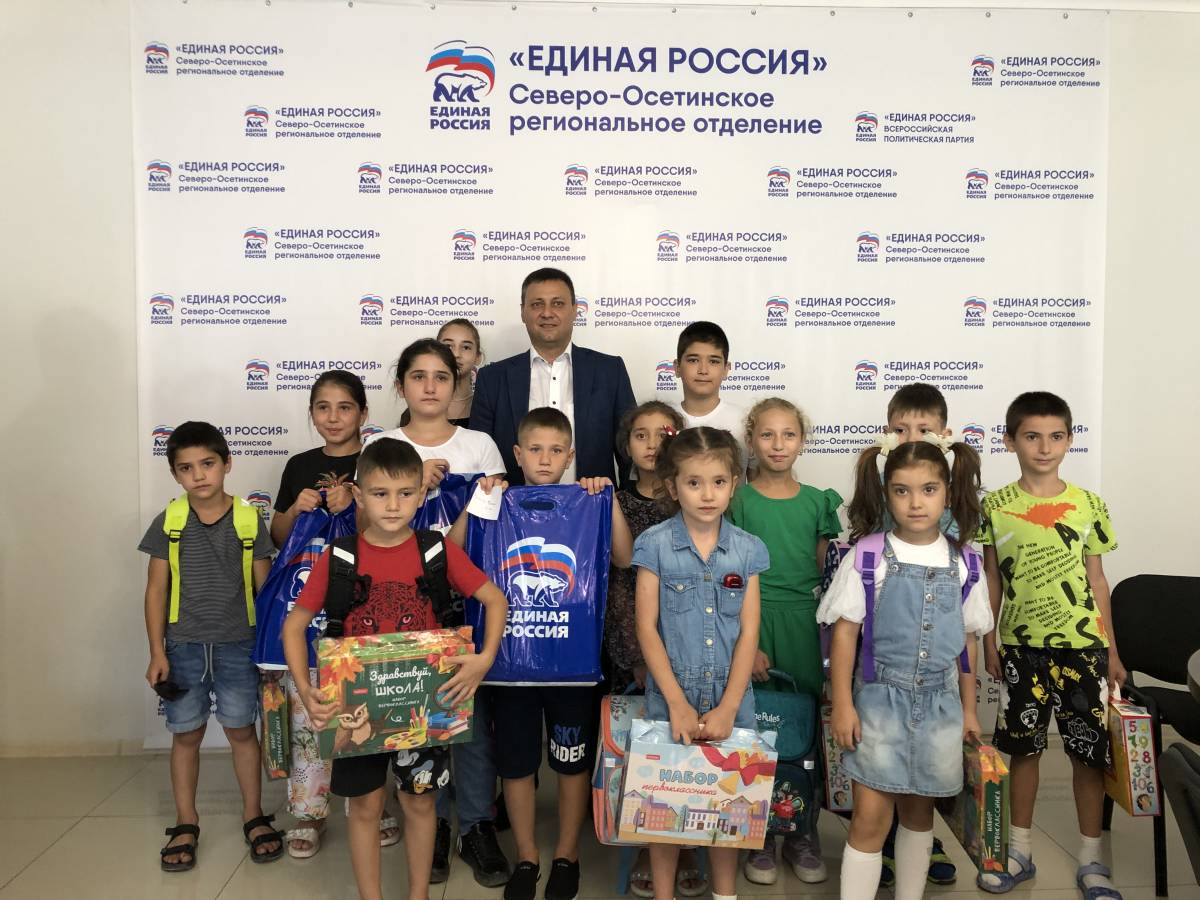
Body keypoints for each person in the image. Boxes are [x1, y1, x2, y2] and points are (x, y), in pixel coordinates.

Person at [282, 437, 508, 900]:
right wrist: (305, 688)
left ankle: (418, 894)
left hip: (424, 708)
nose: (392, 505)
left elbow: (495, 599)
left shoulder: (436, 551)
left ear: (421, 495)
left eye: (405, 493)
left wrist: (483, 659)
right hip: (355, 711)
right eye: (380, 493)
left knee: (420, 804)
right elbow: (294, 625)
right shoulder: (340, 557)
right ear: (359, 495)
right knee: (365, 807)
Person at [460, 407, 632, 900]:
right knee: (515, 765)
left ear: (570, 456)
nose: (544, 459)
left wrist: (608, 500)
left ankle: (566, 854)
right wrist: (477, 501)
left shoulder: (590, 500)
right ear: (516, 453)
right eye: (534, 449)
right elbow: (451, 554)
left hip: (572, 670)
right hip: (510, 669)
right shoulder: (496, 501)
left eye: (556, 450)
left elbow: (623, 556)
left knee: (571, 764)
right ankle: (528, 856)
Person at [820, 435, 990, 900]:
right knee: (870, 819)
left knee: (920, 816)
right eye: (902, 490)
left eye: (929, 490)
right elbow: (845, 635)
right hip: (879, 704)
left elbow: (967, 644)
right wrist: (842, 705)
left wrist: (969, 711)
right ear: (886, 494)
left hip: (941, 707)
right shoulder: (868, 556)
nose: (916, 503)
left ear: (948, 493)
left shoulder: (966, 562)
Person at [366, 339, 510, 886]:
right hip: (399, 609)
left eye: (442, 376)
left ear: (457, 384)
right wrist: (417, 485)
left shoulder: (480, 444)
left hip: (467, 599)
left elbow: (498, 525)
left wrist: (487, 492)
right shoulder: (381, 444)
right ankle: (433, 825)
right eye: (418, 376)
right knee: (414, 723)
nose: (430, 387)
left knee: (467, 718)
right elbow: (363, 527)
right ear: (400, 384)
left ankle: (474, 824)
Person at [979, 392, 1124, 899]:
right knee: (1023, 751)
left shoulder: (1088, 504)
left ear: (1069, 440)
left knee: (1088, 755)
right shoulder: (995, 506)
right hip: (1021, 649)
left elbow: (1097, 580)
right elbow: (991, 578)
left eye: (1056, 436)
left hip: (1083, 648)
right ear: (1009, 441)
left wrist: (1112, 650)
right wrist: (989, 639)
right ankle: (1019, 850)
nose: (1044, 447)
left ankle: (1092, 859)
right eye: (1032, 436)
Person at [268, 371, 403, 856]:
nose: (333, 417)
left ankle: (375, 805)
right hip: (309, 604)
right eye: (323, 408)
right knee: (312, 712)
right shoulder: (299, 465)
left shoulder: (377, 460)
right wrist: (294, 511)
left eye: (345, 407)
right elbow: (278, 537)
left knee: (367, 708)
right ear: (311, 413)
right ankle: (309, 812)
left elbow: (392, 526)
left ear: (363, 413)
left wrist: (358, 506)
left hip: (366, 607)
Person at [138, 421, 280, 871]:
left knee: (241, 731)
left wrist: (270, 653)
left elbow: (265, 590)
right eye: (186, 468)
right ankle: (186, 821)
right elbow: (156, 590)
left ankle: (253, 815)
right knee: (186, 734)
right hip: (183, 646)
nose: (198, 475)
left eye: (207, 464)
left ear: (226, 464)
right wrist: (157, 651)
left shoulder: (248, 519)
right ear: (175, 475)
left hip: (239, 645)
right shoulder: (170, 521)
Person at [633, 426, 766, 900]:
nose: (707, 494)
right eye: (693, 483)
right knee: (663, 807)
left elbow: (749, 631)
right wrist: (676, 703)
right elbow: (646, 628)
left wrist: (730, 706)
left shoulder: (748, 549)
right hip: (670, 695)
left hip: (733, 696)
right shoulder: (653, 544)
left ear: (734, 484)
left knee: (730, 810)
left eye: (718, 482)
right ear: (673, 487)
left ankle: (724, 894)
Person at [730, 398, 841, 885]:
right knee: (757, 729)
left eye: (788, 434)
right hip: (753, 619)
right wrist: (747, 641)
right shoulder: (737, 500)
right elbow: (731, 574)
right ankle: (760, 833)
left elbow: (828, 576)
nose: (778, 444)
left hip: (804, 624)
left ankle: (801, 830)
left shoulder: (818, 501)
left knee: (804, 730)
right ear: (751, 441)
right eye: (768, 434)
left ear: (802, 441)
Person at [604, 401, 708, 900]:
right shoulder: (617, 499)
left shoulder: (692, 496)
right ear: (626, 445)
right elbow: (624, 563)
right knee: (647, 745)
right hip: (632, 630)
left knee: (691, 742)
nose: (650, 444)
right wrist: (638, 656)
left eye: (660, 434)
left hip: (689, 634)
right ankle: (651, 844)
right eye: (639, 435)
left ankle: (688, 841)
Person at [470, 267, 636, 485]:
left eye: (557, 303)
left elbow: (630, 450)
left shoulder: (609, 371)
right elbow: (479, 459)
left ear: (575, 310)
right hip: (513, 505)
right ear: (523, 312)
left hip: (591, 503)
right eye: (537, 304)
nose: (547, 313)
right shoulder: (492, 378)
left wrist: (626, 501)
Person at [668, 321, 748, 470]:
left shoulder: (745, 422)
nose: (703, 370)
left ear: (726, 369)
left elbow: (758, 480)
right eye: (693, 360)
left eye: (713, 361)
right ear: (677, 367)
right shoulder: (662, 420)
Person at [400, 318, 484, 428]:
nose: (456, 354)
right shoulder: (419, 408)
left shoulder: (486, 407)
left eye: (466, 347)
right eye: (448, 346)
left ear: (478, 357)